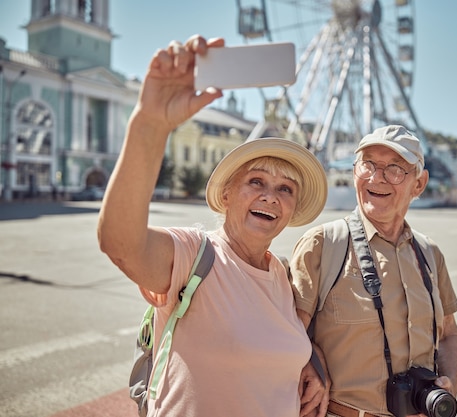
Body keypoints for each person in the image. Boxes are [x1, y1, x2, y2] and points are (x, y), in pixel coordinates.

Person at [97, 35, 327, 417]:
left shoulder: (282, 277)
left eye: (285, 189)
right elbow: (120, 242)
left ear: (292, 208)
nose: (270, 196)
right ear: (226, 196)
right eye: (256, 182)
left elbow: (271, 346)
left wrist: (310, 362)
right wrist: (151, 124)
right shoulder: (195, 255)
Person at [290, 125, 457, 417]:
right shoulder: (323, 245)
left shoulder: (429, 253)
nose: (376, 177)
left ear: (419, 184)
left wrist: (448, 389)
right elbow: (285, 333)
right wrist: (310, 355)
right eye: (367, 164)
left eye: (395, 169)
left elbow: (449, 336)